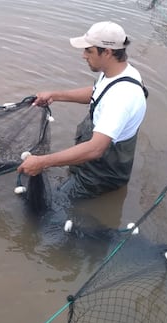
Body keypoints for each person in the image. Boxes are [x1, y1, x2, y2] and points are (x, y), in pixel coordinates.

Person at [18, 21, 147, 198]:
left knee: (53, 207)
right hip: (90, 164)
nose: (83, 55)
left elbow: (95, 149)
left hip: (99, 176)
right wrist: (56, 95)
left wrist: (42, 162)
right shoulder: (116, 73)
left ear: (107, 52)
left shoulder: (122, 97)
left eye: (89, 50)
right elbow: (97, 93)